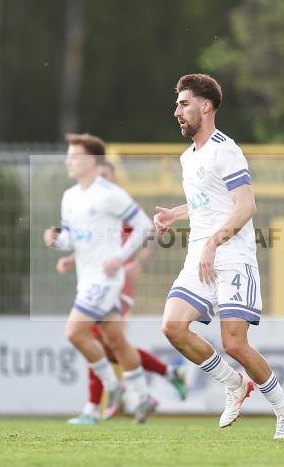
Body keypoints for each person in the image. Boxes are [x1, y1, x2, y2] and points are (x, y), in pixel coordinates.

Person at [154, 74, 284, 439]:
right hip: (199, 258)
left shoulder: (226, 149)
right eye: (176, 104)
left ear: (206, 105)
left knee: (235, 343)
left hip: (232, 256)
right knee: (172, 326)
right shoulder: (189, 158)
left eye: (184, 103)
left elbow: (245, 205)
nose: (177, 112)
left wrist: (213, 243)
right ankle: (234, 383)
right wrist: (175, 213)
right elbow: (207, 200)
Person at [58, 160, 188, 425]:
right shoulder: (94, 209)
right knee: (109, 342)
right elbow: (91, 246)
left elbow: (146, 232)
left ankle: (94, 407)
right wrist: (72, 259)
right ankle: (159, 381)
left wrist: (136, 262)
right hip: (97, 281)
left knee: (92, 336)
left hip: (118, 284)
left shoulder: (119, 207)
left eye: (106, 176)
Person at [44, 133, 157, 423]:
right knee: (117, 342)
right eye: (68, 156)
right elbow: (73, 238)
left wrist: (119, 258)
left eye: (75, 156)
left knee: (74, 331)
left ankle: (113, 386)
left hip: (106, 282)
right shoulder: (68, 197)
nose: (69, 161)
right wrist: (57, 240)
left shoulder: (109, 193)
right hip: (86, 279)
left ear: (92, 161)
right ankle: (143, 397)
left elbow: (144, 226)